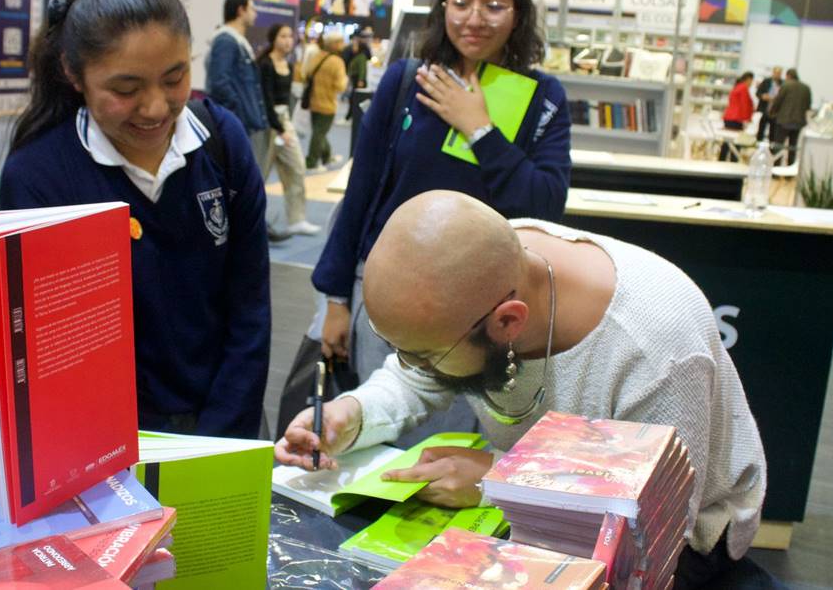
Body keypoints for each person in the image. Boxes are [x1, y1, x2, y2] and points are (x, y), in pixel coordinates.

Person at [278, 190, 767, 590]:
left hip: (683, 545)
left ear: (507, 323)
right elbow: (419, 373)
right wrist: (351, 412)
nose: (413, 366)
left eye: (424, 354)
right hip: (531, 510)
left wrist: (498, 483)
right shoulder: (482, 272)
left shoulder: (655, 348)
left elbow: (652, 527)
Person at [0, 0, 270, 438]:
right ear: (73, 73)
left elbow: (249, 312)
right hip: (106, 442)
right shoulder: (40, 179)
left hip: (225, 424)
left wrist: (219, 438)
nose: (154, 107)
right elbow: (43, 353)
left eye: (175, 78)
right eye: (125, 89)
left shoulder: (222, 143)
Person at [312, 0, 572, 387]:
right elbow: (362, 193)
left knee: (466, 447)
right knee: (380, 427)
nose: (474, 18)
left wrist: (480, 131)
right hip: (390, 297)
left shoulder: (542, 98)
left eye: (494, 5)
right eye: (461, 2)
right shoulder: (405, 82)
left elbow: (545, 204)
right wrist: (336, 300)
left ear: (518, 14)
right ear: (443, 7)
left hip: (486, 311)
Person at [205, 0, 289, 242]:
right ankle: (250, 230)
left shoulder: (235, 41)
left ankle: (254, 227)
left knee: (246, 178)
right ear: (241, 10)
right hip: (238, 123)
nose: (255, 14)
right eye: (252, 8)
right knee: (240, 179)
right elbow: (220, 83)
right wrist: (237, 115)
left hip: (245, 123)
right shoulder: (226, 41)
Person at [257, 23, 319, 235]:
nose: (288, 41)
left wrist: (285, 127)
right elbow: (265, 99)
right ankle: (252, 222)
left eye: (290, 36)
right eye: (283, 36)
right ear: (274, 38)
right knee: (259, 175)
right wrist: (279, 127)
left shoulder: (290, 64)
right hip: (267, 124)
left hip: (284, 122)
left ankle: (297, 219)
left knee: (297, 167)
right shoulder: (265, 64)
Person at [304, 30, 348, 171]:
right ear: (335, 44)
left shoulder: (317, 56)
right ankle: (311, 161)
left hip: (313, 100)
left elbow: (306, 73)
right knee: (319, 133)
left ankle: (326, 156)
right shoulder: (337, 62)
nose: (343, 45)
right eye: (341, 42)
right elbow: (340, 86)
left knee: (319, 131)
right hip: (328, 104)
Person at [767, 68, 812, 166]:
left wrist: (771, 112)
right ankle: (790, 169)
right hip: (799, 122)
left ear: (788, 76)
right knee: (793, 147)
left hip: (784, 120)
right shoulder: (806, 88)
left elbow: (778, 101)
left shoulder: (786, 85)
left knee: (778, 145)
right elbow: (808, 105)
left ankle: (776, 168)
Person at [718, 71, 754, 161]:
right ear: (748, 79)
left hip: (730, 117)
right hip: (736, 118)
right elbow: (744, 104)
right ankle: (733, 160)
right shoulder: (743, 88)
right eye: (751, 81)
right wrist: (747, 119)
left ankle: (722, 159)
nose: (752, 83)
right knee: (736, 141)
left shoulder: (737, 87)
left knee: (727, 140)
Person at [754, 66, 782, 143]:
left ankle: (771, 150)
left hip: (775, 112)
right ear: (773, 73)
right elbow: (758, 93)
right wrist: (763, 96)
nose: (777, 75)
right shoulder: (766, 81)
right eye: (776, 73)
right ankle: (758, 145)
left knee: (773, 133)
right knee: (761, 130)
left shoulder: (782, 84)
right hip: (765, 109)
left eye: (779, 73)